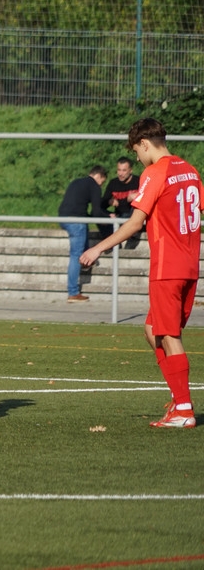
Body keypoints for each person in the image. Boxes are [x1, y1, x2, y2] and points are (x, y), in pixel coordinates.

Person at [81, 118, 200, 428]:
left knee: (168, 335)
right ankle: (179, 397)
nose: (137, 158)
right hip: (189, 265)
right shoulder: (189, 170)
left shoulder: (156, 172)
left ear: (145, 144)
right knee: (151, 329)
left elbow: (135, 222)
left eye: (136, 151)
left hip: (167, 266)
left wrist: (98, 248)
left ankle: (183, 409)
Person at [58, 165, 108, 303]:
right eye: (102, 182)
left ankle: (86, 262)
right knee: (75, 255)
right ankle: (73, 292)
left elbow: (80, 208)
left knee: (83, 231)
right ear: (100, 176)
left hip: (63, 218)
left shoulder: (76, 182)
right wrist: (109, 217)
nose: (101, 185)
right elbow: (96, 212)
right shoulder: (94, 186)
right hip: (76, 221)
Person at [98, 156, 141, 249]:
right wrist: (109, 202)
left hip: (133, 216)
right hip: (119, 215)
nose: (121, 174)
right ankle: (114, 244)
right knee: (97, 213)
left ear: (131, 170)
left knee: (135, 209)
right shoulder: (113, 183)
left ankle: (131, 240)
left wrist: (136, 197)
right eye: (119, 170)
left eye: (124, 170)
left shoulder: (138, 181)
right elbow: (103, 203)